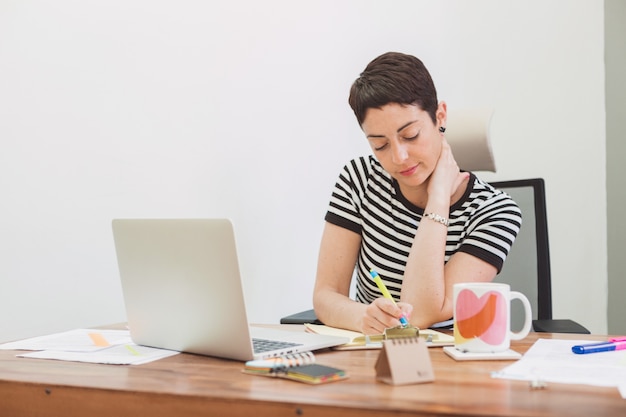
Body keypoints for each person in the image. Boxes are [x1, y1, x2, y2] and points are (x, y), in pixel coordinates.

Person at [312, 52, 522, 335]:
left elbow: (420, 313)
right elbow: (326, 295)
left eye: (410, 136)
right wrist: (362, 317)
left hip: (450, 364)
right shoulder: (359, 180)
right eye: (380, 145)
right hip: (374, 358)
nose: (399, 157)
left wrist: (438, 199)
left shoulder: (496, 212)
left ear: (440, 116)